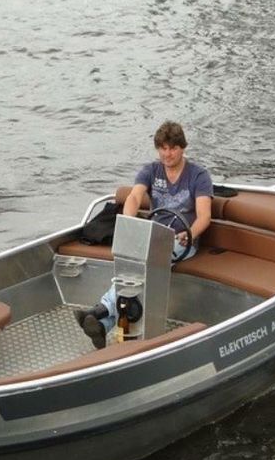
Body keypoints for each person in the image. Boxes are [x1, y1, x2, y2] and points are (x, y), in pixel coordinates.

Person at [76, 121, 212, 348]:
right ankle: (102, 326)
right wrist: (129, 224)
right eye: (163, 148)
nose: (167, 154)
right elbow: (134, 197)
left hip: (182, 239)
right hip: (153, 236)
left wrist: (190, 234)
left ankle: (101, 309)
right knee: (133, 263)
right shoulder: (151, 170)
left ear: (182, 148)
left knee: (141, 265)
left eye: (173, 148)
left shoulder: (199, 176)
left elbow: (204, 217)